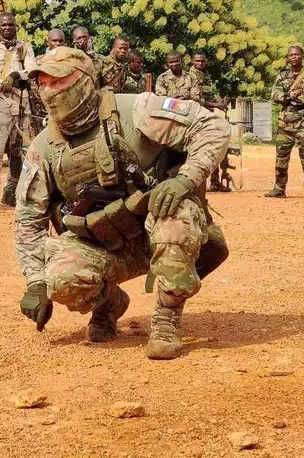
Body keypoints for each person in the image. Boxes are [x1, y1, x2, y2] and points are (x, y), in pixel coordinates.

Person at [15, 47, 230, 360]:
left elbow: (213, 127)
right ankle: (110, 303)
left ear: (84, 81)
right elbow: (28, 218)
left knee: (177, 216)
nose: (49, 91)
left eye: (58, 82)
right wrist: (36, 282)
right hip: (103, 244)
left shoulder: (137, 109)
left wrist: (185, 179)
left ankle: (166, 318)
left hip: (157, 229)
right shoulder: (43, 147)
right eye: (43, 84)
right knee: (59, 280)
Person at [0, 12, 36, 208]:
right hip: (1, 103)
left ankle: (12, 191)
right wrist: (5, 83)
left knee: (20, 150)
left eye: (11, 25)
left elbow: (32, 71)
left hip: (22, 104)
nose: (7, 28)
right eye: (3, 25)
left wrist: (16, 75)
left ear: (15, 26)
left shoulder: (25, 47)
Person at [265, 45, 304, 201]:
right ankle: (279, 189)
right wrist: (293, 94)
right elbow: (275, 95)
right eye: (291, 55)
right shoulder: (282, 75)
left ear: (303, 56)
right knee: (281, 158)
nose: (294, 57)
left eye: (297, 54)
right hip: (285, 122)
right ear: (288, 58)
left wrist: (286, 96)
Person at [190, 51, 231, 192]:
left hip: (209, 115)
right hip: (197, 117)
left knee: (214, 146)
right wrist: (216, 105)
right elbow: (196, 99)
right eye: (197, 61)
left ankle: (215, 181)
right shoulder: (190, 76)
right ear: (192, 61)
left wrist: (221, 102)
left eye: (203, 61)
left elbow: (211, 93)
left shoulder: (205, 75)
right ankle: (198, 184)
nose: (200, 63)